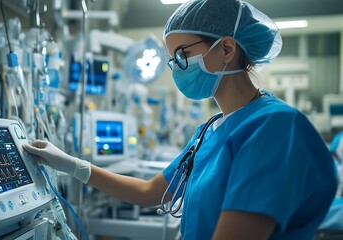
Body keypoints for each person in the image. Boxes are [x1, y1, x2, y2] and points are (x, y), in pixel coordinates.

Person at [23, 0, 337, 239]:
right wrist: (70, 164)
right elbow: (151, 191)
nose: (176, 68)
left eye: (182, 56)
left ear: (226, 48)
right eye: (173, 60)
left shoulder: (275, 128)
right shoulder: (210, 130)